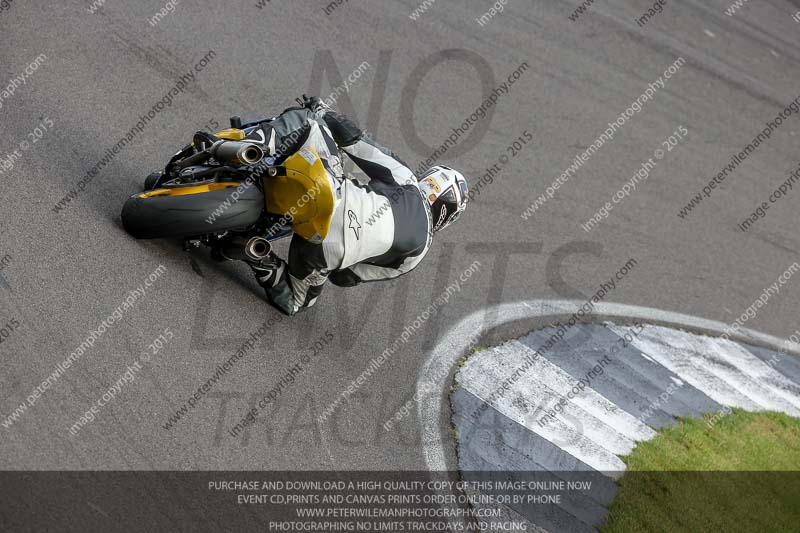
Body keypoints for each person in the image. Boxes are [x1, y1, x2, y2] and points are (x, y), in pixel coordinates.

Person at [242, 96, 468, 316]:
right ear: (447, 218)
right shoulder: (416, 255)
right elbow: (344, 277)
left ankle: (245, 145)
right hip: (325, 249)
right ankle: (257, 253)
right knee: (296, 301)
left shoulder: (407, 179)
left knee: (308, 122)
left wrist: (322, 110)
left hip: (330, 193)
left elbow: (355, 140)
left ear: (428, 180)